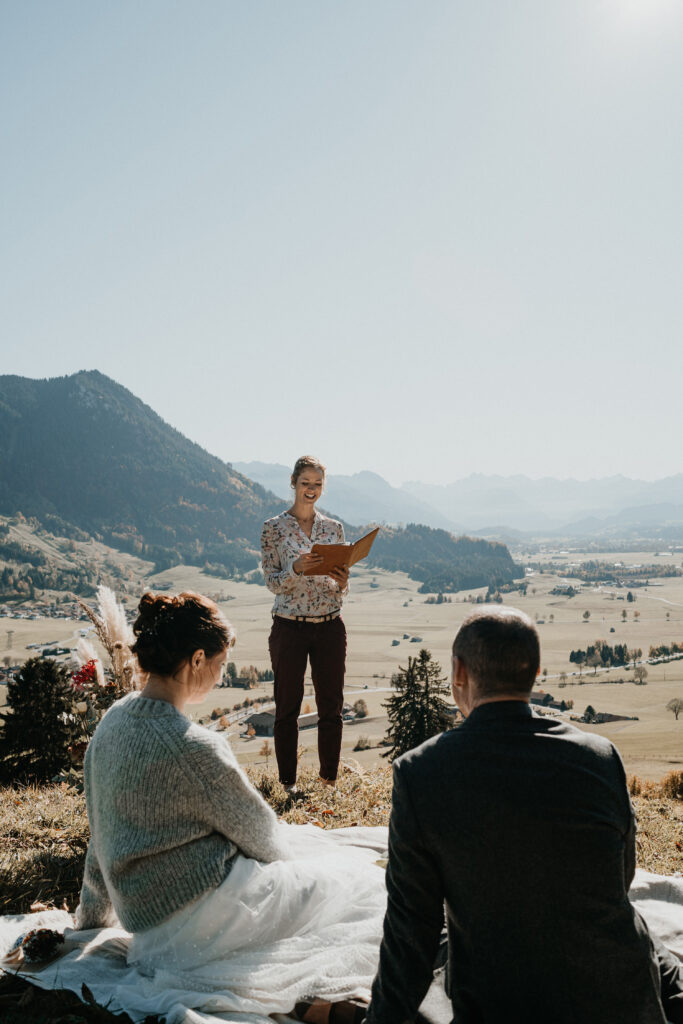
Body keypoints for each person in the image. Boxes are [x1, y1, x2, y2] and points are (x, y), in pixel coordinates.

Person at [74, 591, 384, 1024]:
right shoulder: (194, 747)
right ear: (197, 659)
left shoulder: (112, 723)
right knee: (358, 891)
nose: (220, 678)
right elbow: (265, 839)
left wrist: (88, 922)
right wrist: (296, 881)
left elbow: (100, 835)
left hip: (149, 935)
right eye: (219, 665)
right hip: (206, 918)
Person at [365, 607, 683, 1024]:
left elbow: (411, 933)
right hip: (622, 1000)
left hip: (504, 1002)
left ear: (459, 673)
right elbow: (619, 880)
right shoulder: (600, 757)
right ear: (534, 673)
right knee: (650, 945)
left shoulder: (420, 772)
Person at [261, 455, 349, 789]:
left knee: (332, 707)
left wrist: (342, 581)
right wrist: (296, 568)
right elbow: (271, 582)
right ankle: (288, 784)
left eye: (317, 484)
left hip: (329, 625)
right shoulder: (273, 528)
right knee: (287, 709)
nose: (311, 490)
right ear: (293, 484)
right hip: (289, 627)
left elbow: (340, 586)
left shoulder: (334, 528)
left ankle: (328, 781)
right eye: (305, 483)